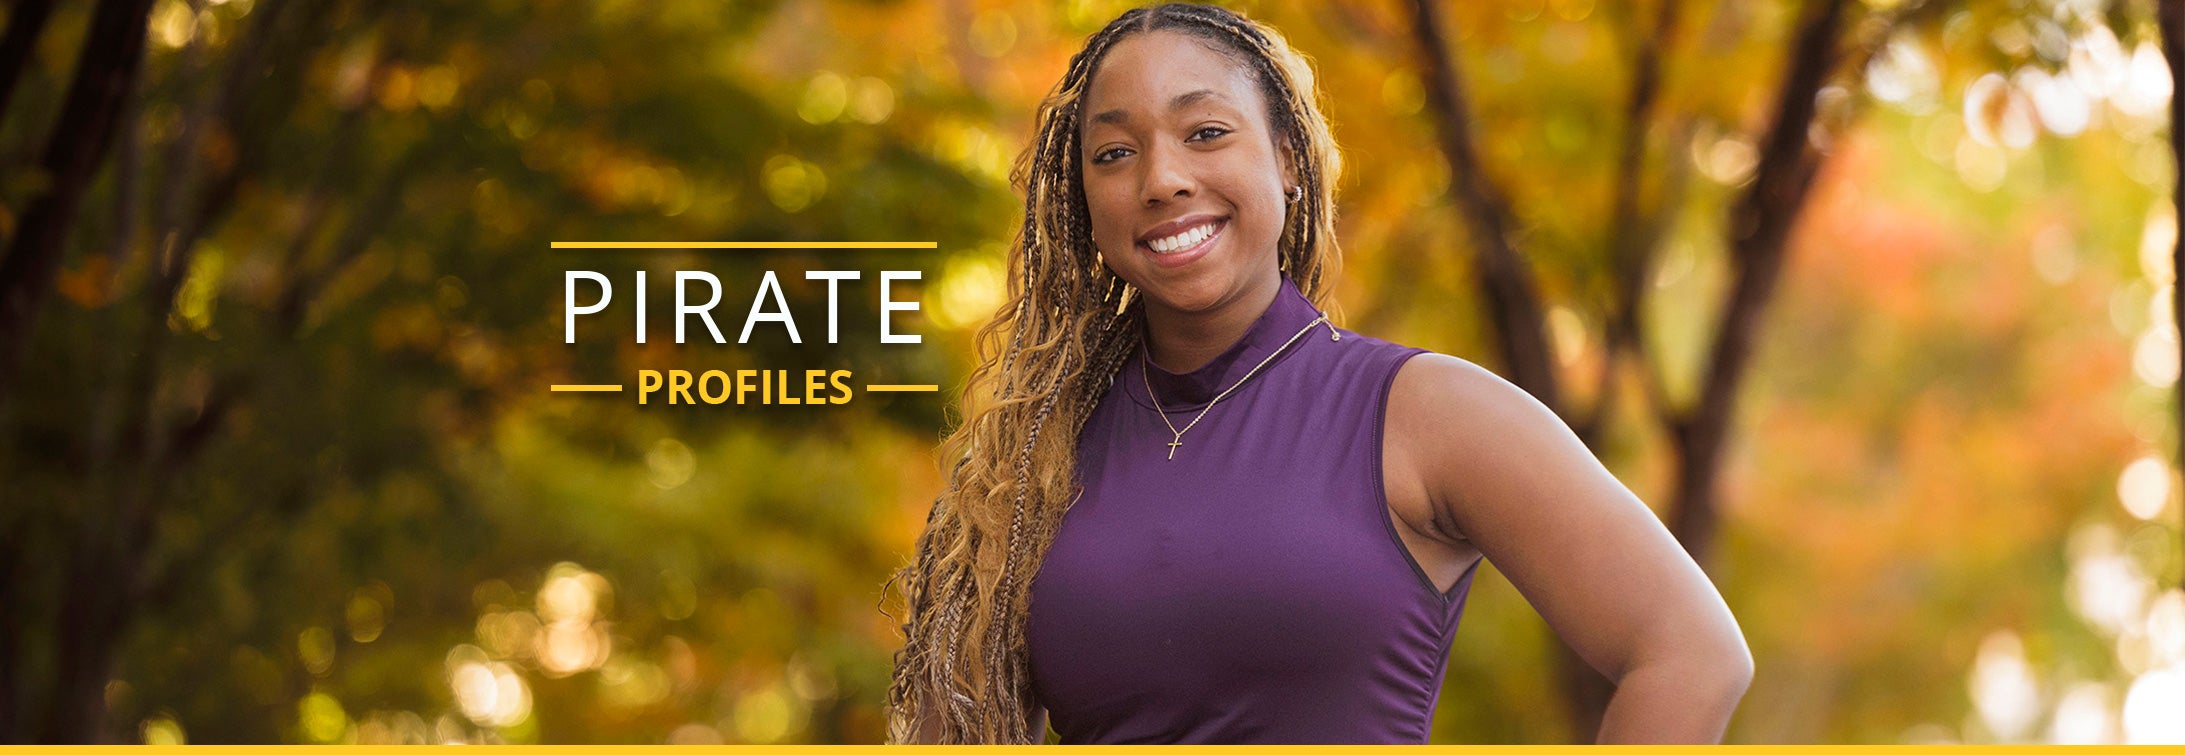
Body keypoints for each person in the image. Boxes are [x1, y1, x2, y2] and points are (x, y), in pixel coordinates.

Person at [885, 2, 1751, 744]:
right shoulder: (1021, 463)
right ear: (1082, 200)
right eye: (1113, 154)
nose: (1162, 179)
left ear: (1288, 162)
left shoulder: (1425, 413)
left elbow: (1690, 651)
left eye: (1206, 132)